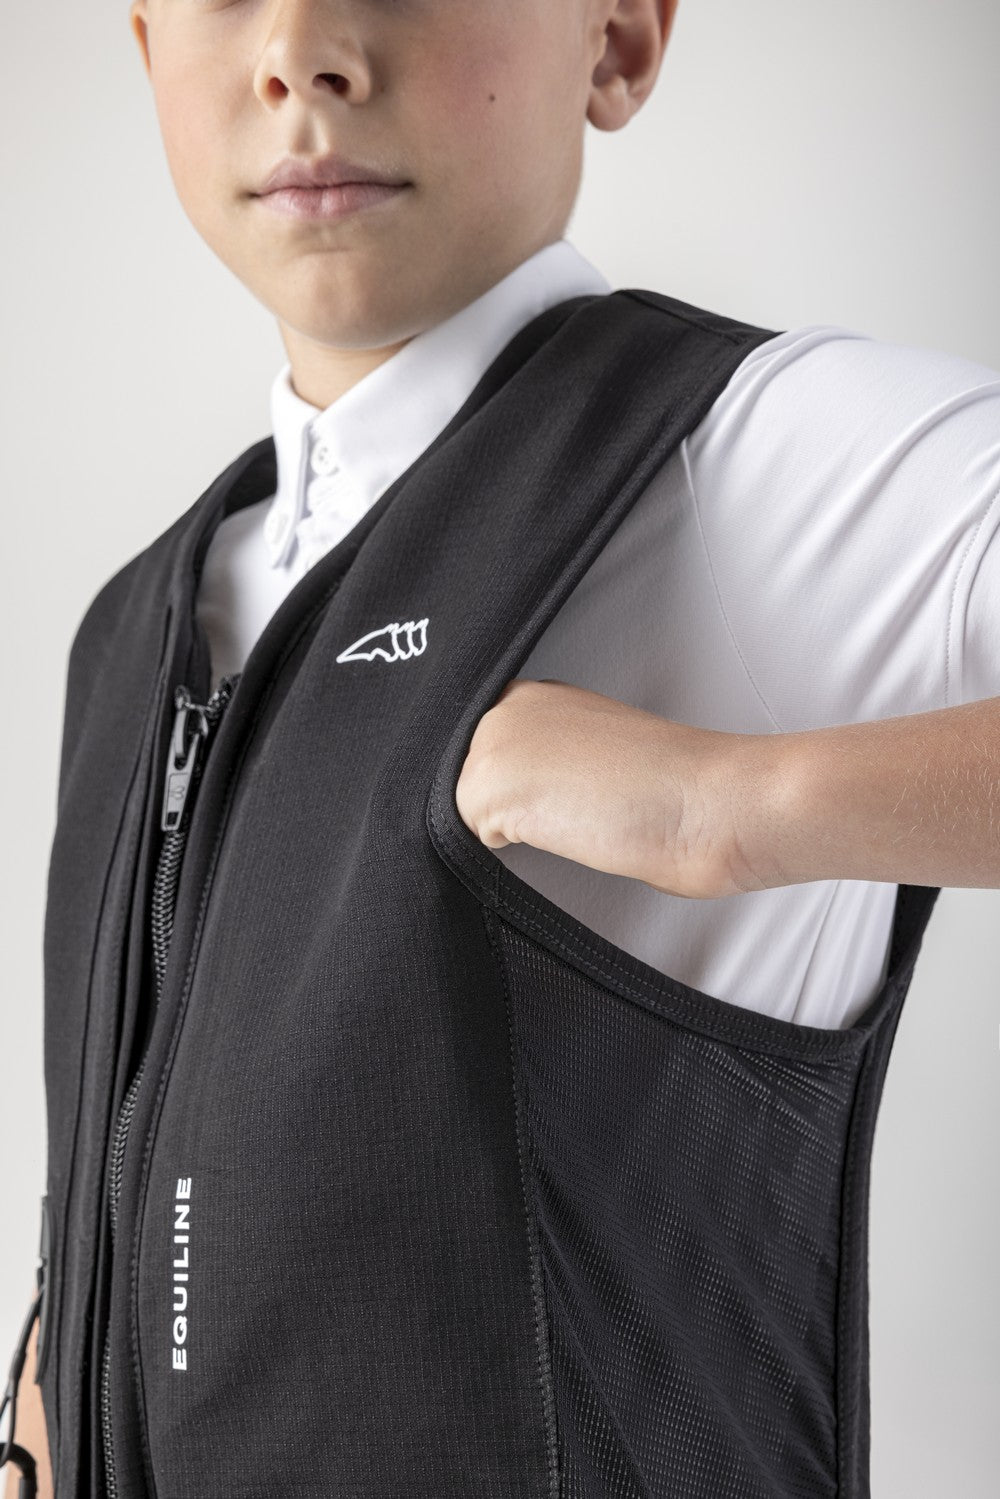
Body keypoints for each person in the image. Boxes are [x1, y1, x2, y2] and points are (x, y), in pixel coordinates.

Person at [2, 2, 998, 1497]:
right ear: (149, 49)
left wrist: (735, 807)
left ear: (620, 37)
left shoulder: (738, 464)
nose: (301, 51)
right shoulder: (139, 623)